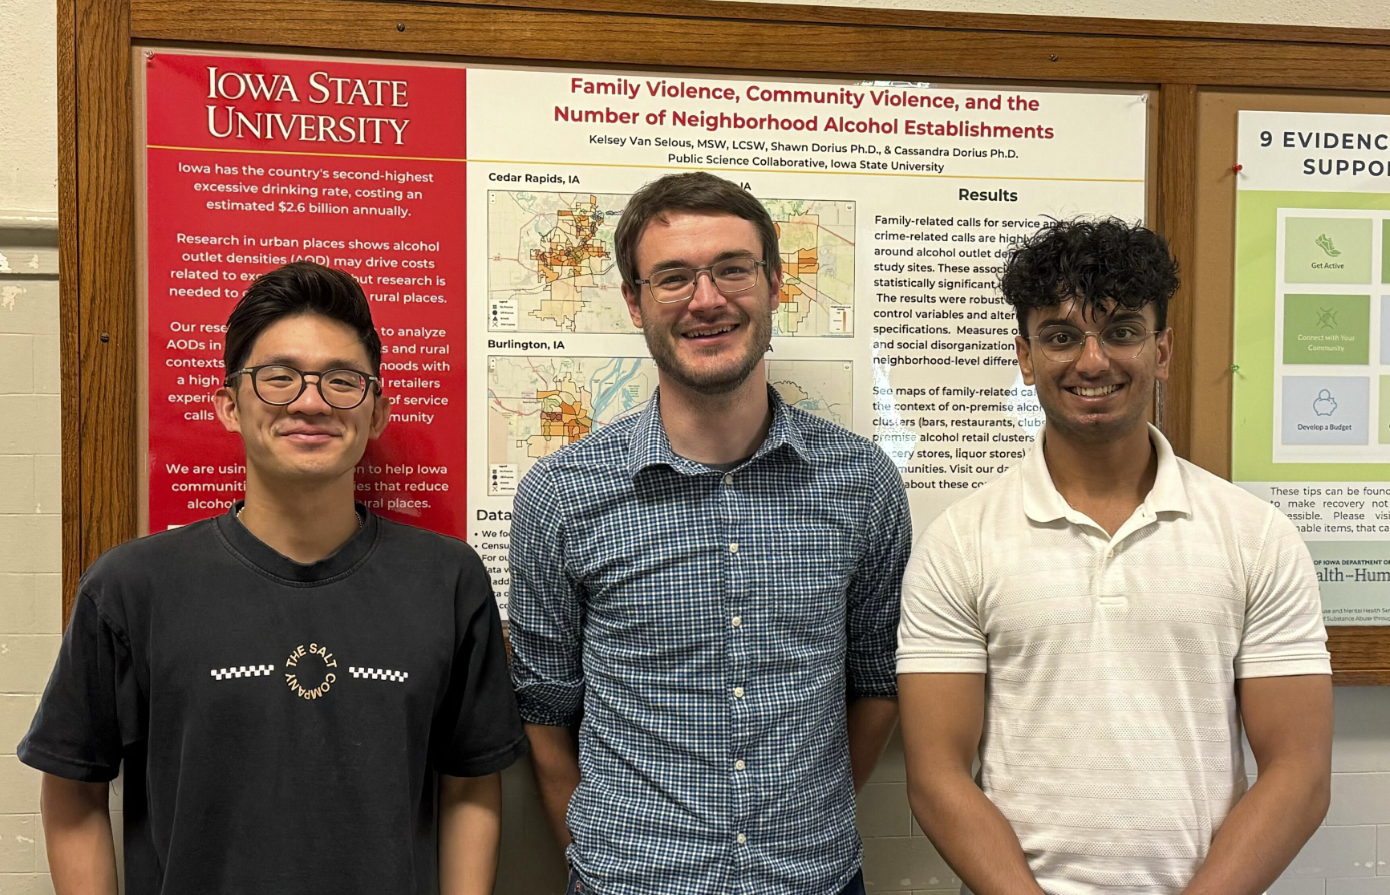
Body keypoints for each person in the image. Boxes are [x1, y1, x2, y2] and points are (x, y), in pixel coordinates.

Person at [20, 262, 527, 895]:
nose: (311, 402)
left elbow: (470, 784)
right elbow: (74, 786)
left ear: (376, 412)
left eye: (342, 380)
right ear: (230, 406)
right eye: (279, 377)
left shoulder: (447, 580)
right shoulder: (132, 586)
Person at [897, 218, 1333, 895]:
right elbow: (935, 774)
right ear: (1025, 356)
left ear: (1162, 350)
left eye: (1122, 331)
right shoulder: (959, 542)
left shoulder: (1256, 536)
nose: (1093, 361)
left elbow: (1299, 774)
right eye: (1061, 336)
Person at [508, 172, 912, 895]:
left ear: (776, 283)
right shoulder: (562, 495)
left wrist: (805, 826)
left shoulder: (863, 483)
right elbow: (545, 708)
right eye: (673, 277)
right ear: (634, 302)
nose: (707, 299)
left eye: (732, 269)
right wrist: (602, 856)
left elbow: (878, 681)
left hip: (812, 880)